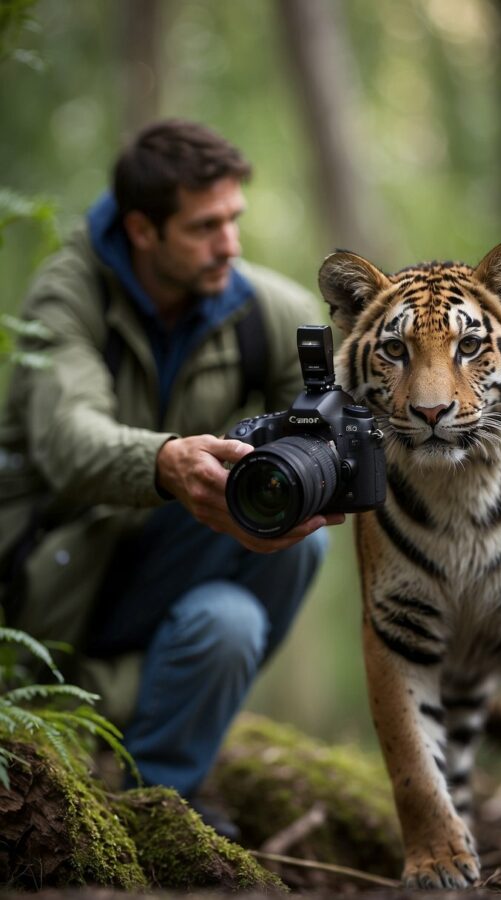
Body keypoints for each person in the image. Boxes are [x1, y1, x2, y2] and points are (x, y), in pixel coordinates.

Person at [0, 119, 343, 837]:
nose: (230, 244)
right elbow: (69, 440)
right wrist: (164, 461)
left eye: (234, 220)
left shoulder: (270, 312)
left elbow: (328, 426)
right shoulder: (67, 298)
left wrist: (329, 472)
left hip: (164, 572)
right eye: (205, 226)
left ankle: (158, 805)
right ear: (143, 230)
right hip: (51, 595)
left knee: (239, 611)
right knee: (269, 567)